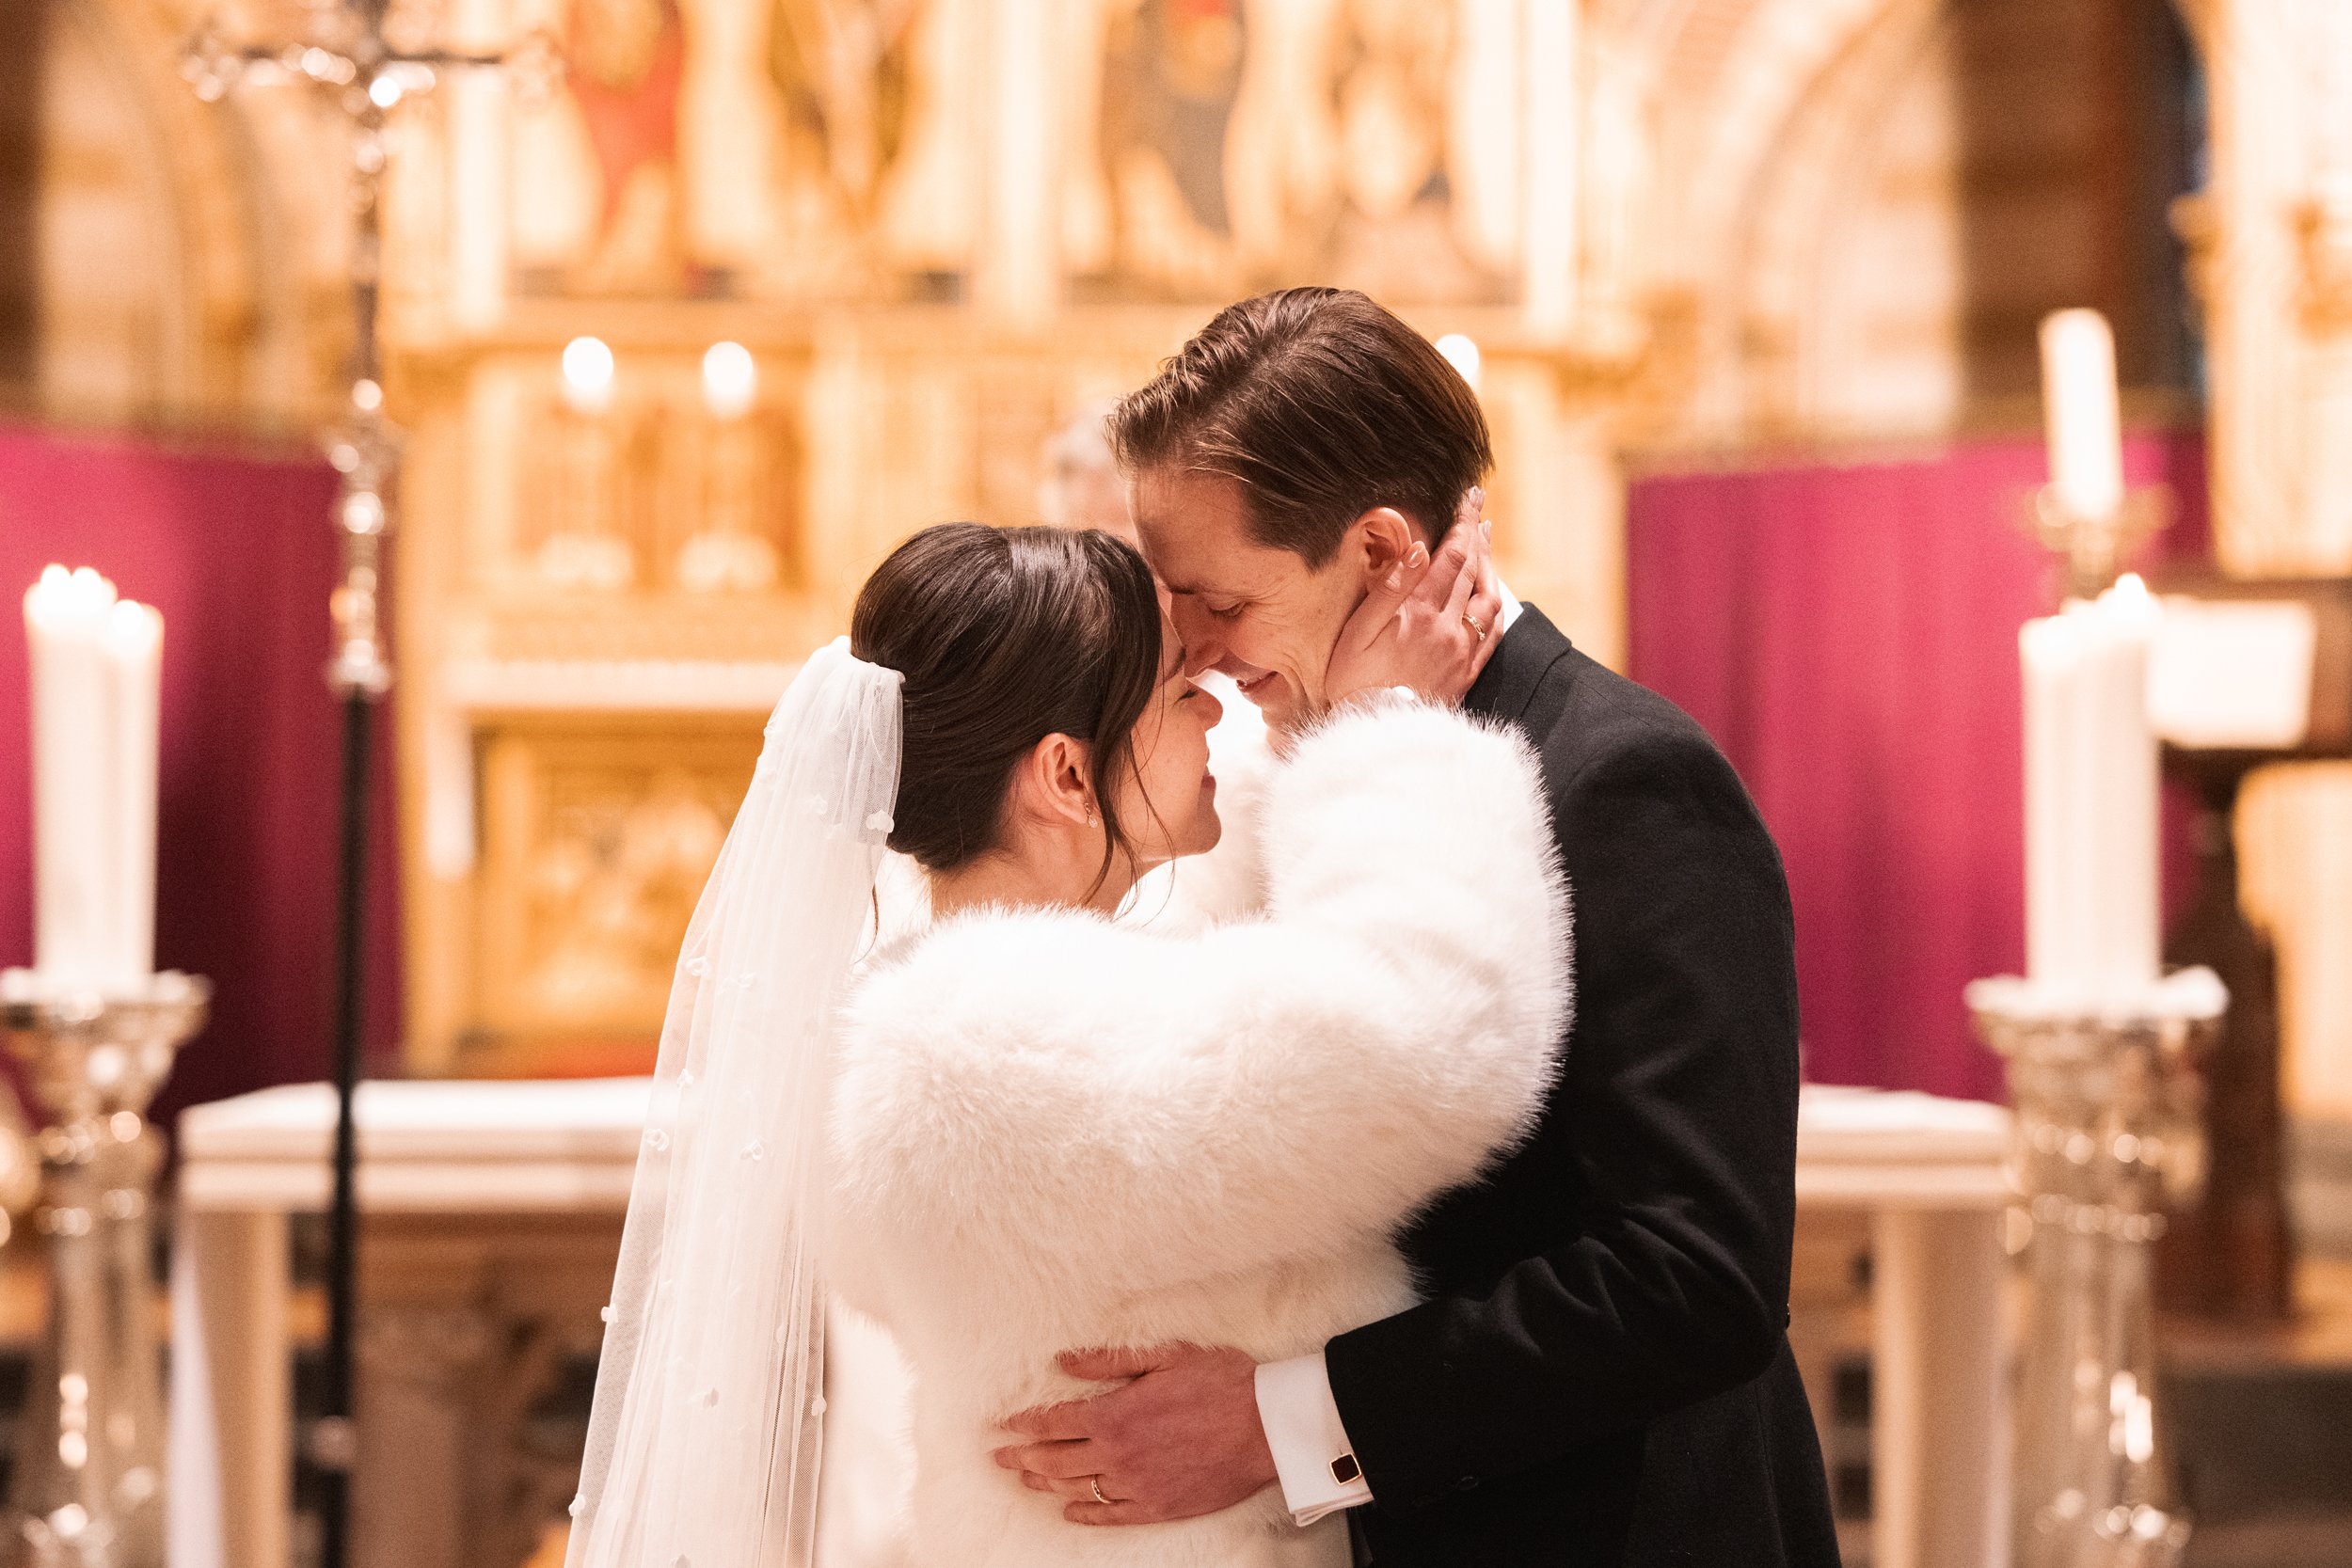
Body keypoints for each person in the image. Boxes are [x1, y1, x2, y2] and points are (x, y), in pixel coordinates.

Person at [993, 288, 1842, 1567]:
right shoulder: (1310, 767)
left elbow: (1697, 1274)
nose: (1192, 651)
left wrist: (1286, 1421)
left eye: (1216, 597)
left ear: (1382, 556)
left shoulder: (1621, 777)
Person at [564, 518, 1567, 1568]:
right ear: (1067, 776)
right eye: (1183, 693)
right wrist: (1385, 728)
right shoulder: (991, 1052)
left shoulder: (944, 1001)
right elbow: (1438, 1037)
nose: (1217, 708)